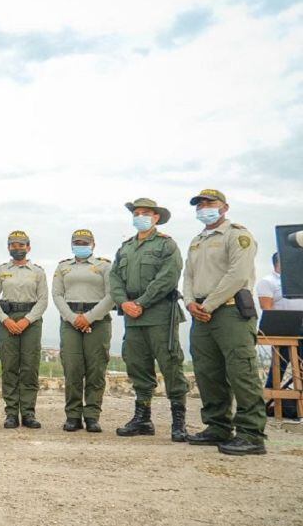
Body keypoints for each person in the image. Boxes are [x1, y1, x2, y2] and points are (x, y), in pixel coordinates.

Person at [181, 189, 267, 456]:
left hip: (229, 311)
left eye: (210, 203)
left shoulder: (237, 235)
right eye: (200, 204)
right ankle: (217, 426)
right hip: (201, 313)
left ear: (224, 207)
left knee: (241, 371)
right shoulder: (197, 241)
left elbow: (237, 275)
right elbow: (189, 275)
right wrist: (190, 302)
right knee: (208, 372)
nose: (204, 207)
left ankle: (251, 433)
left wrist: (208, 305)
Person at [108, 197, 188, 441]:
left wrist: (141, 303)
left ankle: (178, 422)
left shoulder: (166, 245)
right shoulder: (125, 248)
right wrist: (124, 303)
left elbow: (168, 277)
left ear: (156, 218)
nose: (139, 217)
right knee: (137, 365)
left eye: (145, 213)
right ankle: (143, 418)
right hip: (132, 316)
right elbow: (114, 279)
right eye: (136, 213)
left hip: (159, 314)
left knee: (170, 365)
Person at [51, 229, 113, 433]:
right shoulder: (63, 267)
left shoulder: (104, 266)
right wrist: (74, 318)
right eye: (77, 242)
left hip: (98, 321)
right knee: (72, 369)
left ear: (93, 245)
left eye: (85, 242)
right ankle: (73, 416)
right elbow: (57, 295)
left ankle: (92, 416)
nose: (81, 245)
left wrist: (88, 318)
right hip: (70, 321)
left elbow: (111, 296)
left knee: (96, 369)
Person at [0, 231, 48, 429]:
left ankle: (29, 413)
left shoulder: (38, 272)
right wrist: (5, 319)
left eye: (21, 245)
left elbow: (43, 300)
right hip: (7, 321)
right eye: (13, 245)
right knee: (10, 366)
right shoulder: (1, 270)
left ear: (28, 247)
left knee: (30, 367)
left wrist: (27, 320)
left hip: (31, 321)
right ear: (8, 248)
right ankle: (11, 413)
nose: (17, 248)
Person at [258, 252, 303, 410]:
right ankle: (267, 404)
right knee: (278, 368)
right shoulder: (268, 282)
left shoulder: (297, 281)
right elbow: (267, 308)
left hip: (301, 327)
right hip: (283, 331)